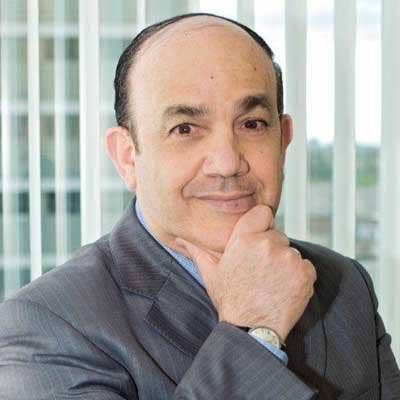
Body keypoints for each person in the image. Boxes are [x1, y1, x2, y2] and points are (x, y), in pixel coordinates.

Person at [0, 12, 399, 400]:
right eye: (185, 129)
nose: (227, 162)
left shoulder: (344, 284)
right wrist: (256, 333)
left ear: (283, 142)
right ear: (127, 157)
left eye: (252, 124)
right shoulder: (45, 326)